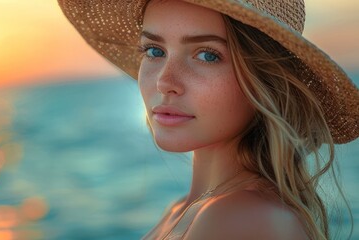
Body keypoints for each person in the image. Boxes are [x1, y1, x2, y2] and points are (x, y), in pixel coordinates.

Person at [58, 0, 359, 239]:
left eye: (207, 55)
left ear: (265, 80)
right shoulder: (185, 209)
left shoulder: (244, 219)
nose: (165, 81)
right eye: (154, 50)